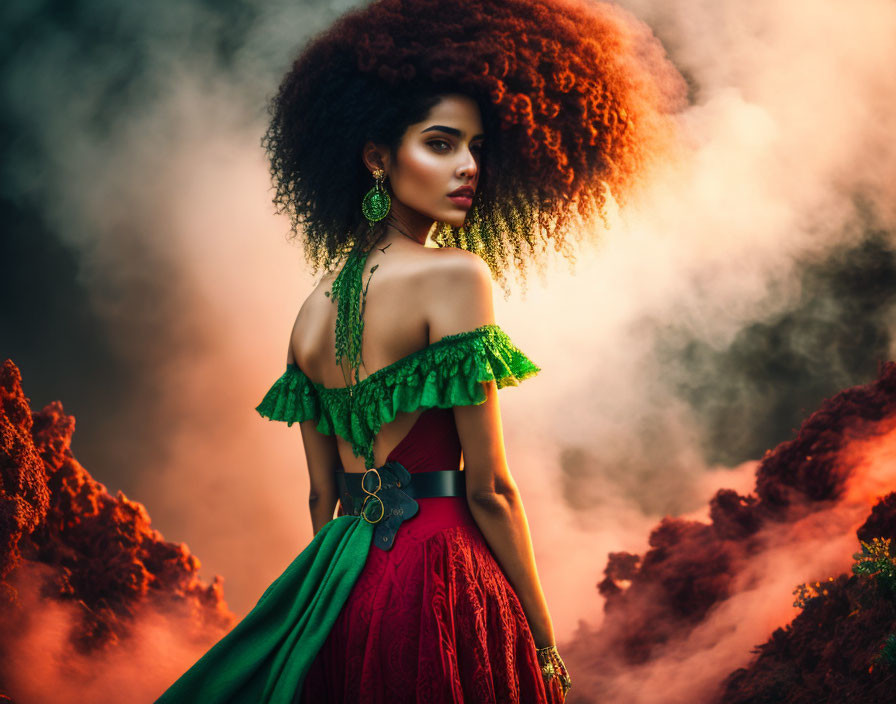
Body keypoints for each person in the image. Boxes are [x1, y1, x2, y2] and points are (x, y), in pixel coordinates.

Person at [154, 0, 679, 701]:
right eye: (441, 143)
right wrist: (544, 641)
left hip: (345, 592)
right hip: (443, 582)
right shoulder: (455, 276)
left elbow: (322, 498)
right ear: (377, 156)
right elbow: (490, 490)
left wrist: (335, 611)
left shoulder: (308, 314)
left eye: (477, 147)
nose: (468, 167)